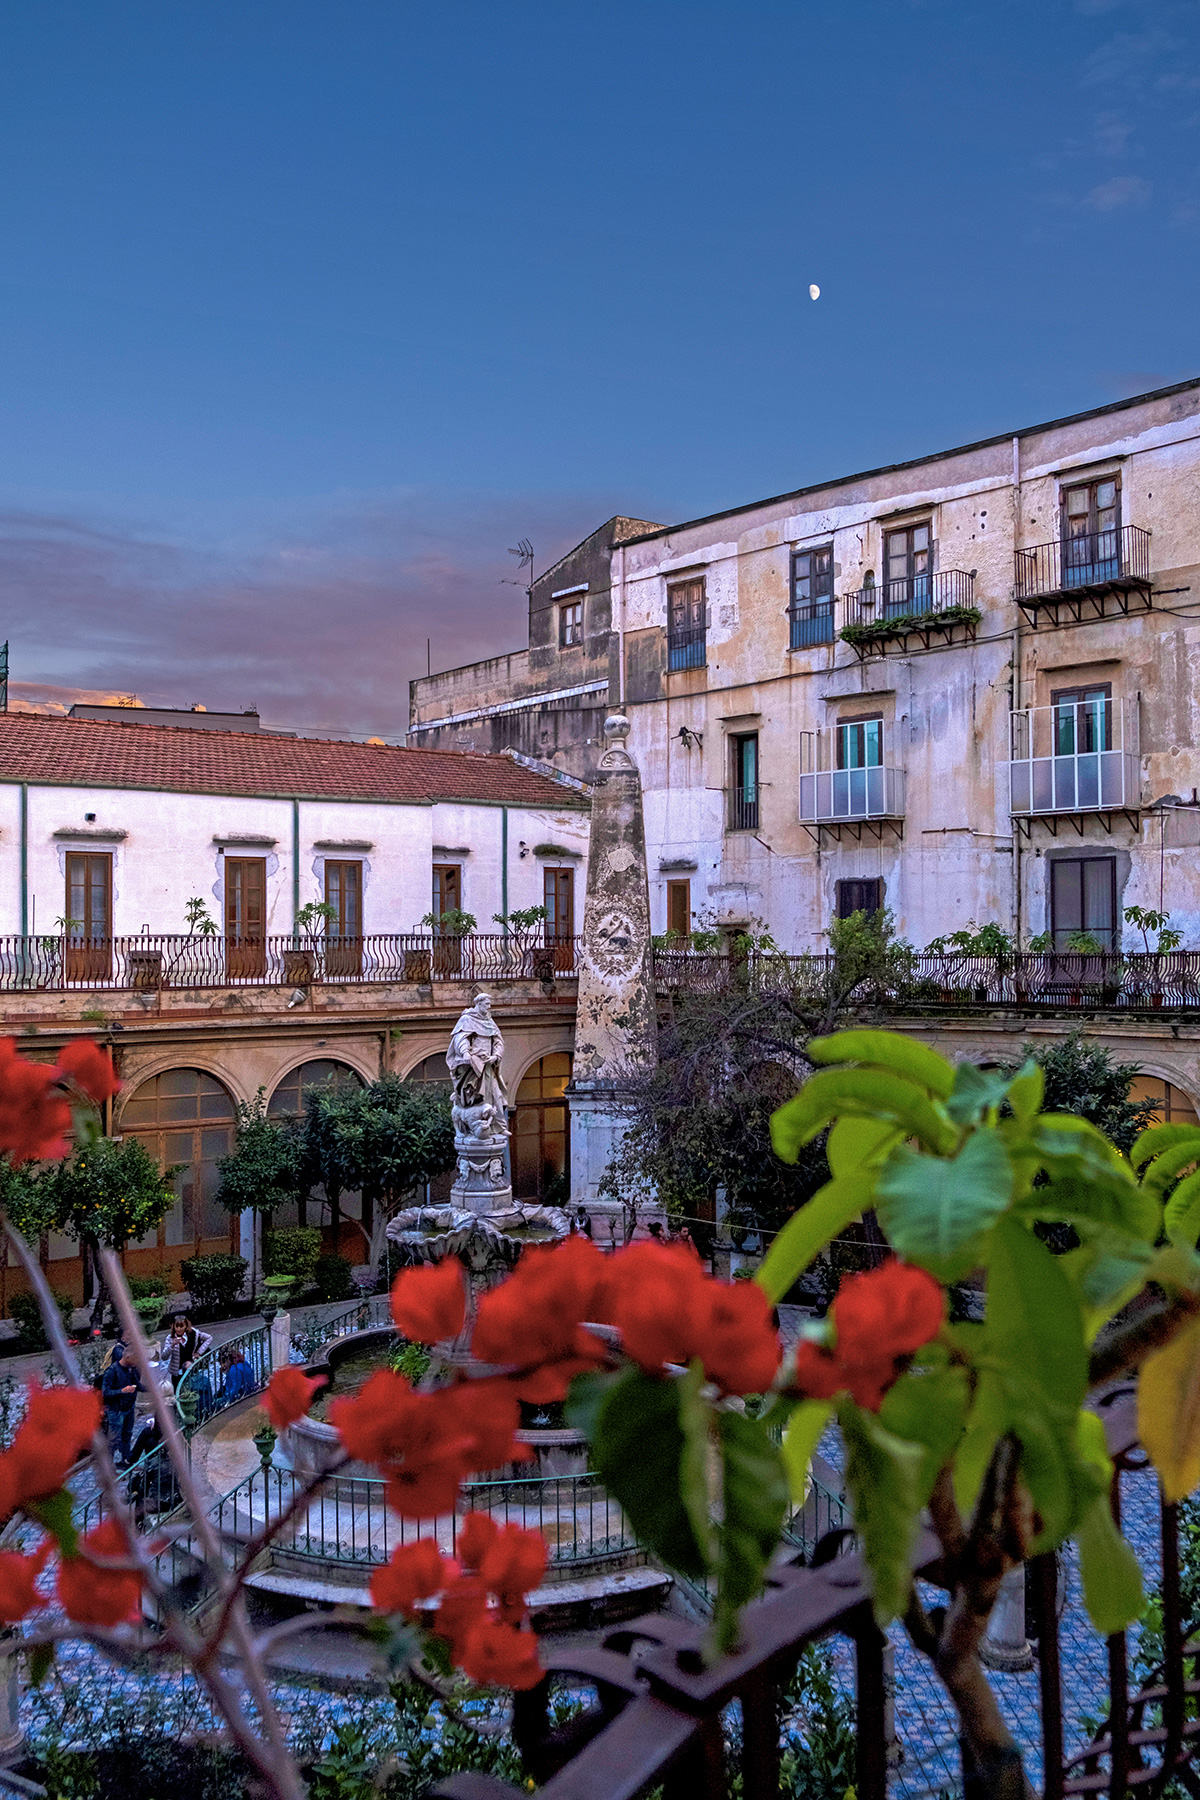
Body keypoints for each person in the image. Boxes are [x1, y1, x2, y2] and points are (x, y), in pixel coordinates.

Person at [101, 1348, 142, 1468]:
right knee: (113, 1441)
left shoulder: (131, 1369)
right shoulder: (112, 1371)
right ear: (127, 1358)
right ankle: (109, 1468)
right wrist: (122, 1391)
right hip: (116, 1410)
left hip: (129, 1407)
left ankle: (126, 1462)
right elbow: (105, 1392)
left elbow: (138, 1385)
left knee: (127, 1435)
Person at [161, 1314, 213, 1387]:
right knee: (178, 1390)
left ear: (186, 1326)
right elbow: (164, 1357)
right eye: (177, 1326)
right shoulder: (170, 1338)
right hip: (177, 1372)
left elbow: (209, 1338)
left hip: (190, 1368)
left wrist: (198, 1352)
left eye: (181, 1326)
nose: (179, 1329)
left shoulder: (194, 1333)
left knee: (191, 1389)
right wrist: (172, 1345)